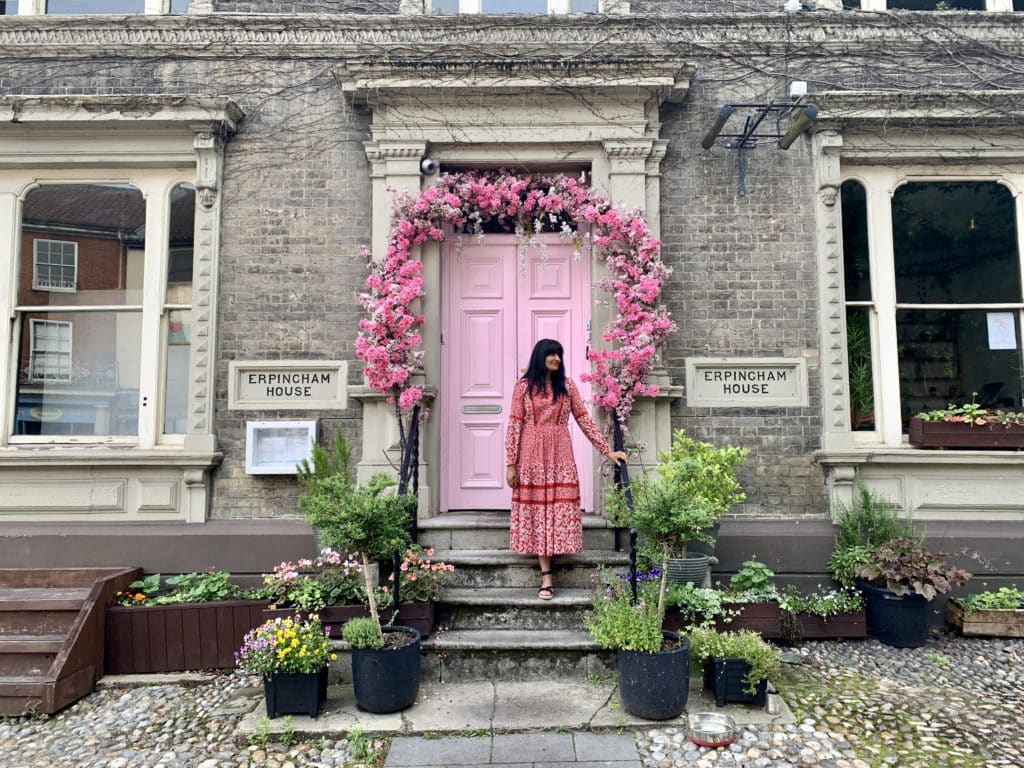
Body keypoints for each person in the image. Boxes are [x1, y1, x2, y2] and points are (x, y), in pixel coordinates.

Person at [504, 338, 628, 600]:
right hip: (531, 455)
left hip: (560, 452)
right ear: (540, 356)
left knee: (557, 507)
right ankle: (546, 574)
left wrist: (607, 450)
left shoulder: (567, 386)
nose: (556, 359)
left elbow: (584, 420)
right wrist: (511, 463)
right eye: (551, 354)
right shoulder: (523, 387)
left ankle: (554, 552)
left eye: (559, 354)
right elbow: (514, 424)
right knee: (538, 510)